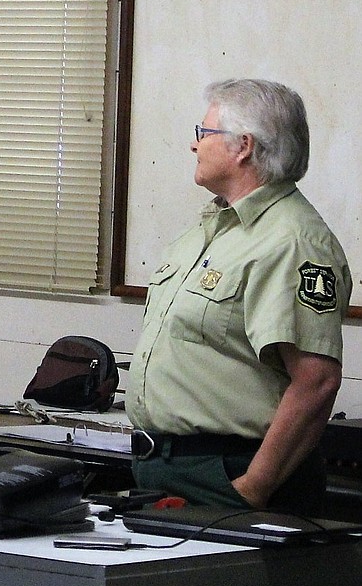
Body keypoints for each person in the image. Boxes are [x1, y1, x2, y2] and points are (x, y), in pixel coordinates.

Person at [127, 78, 351, 516]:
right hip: (166, 468)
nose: (195, 146)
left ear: (242, 146)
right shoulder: (211, 228)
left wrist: (250, 488)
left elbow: (316, 382)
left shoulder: (292, 241)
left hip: (231, 474)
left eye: (204, 133)